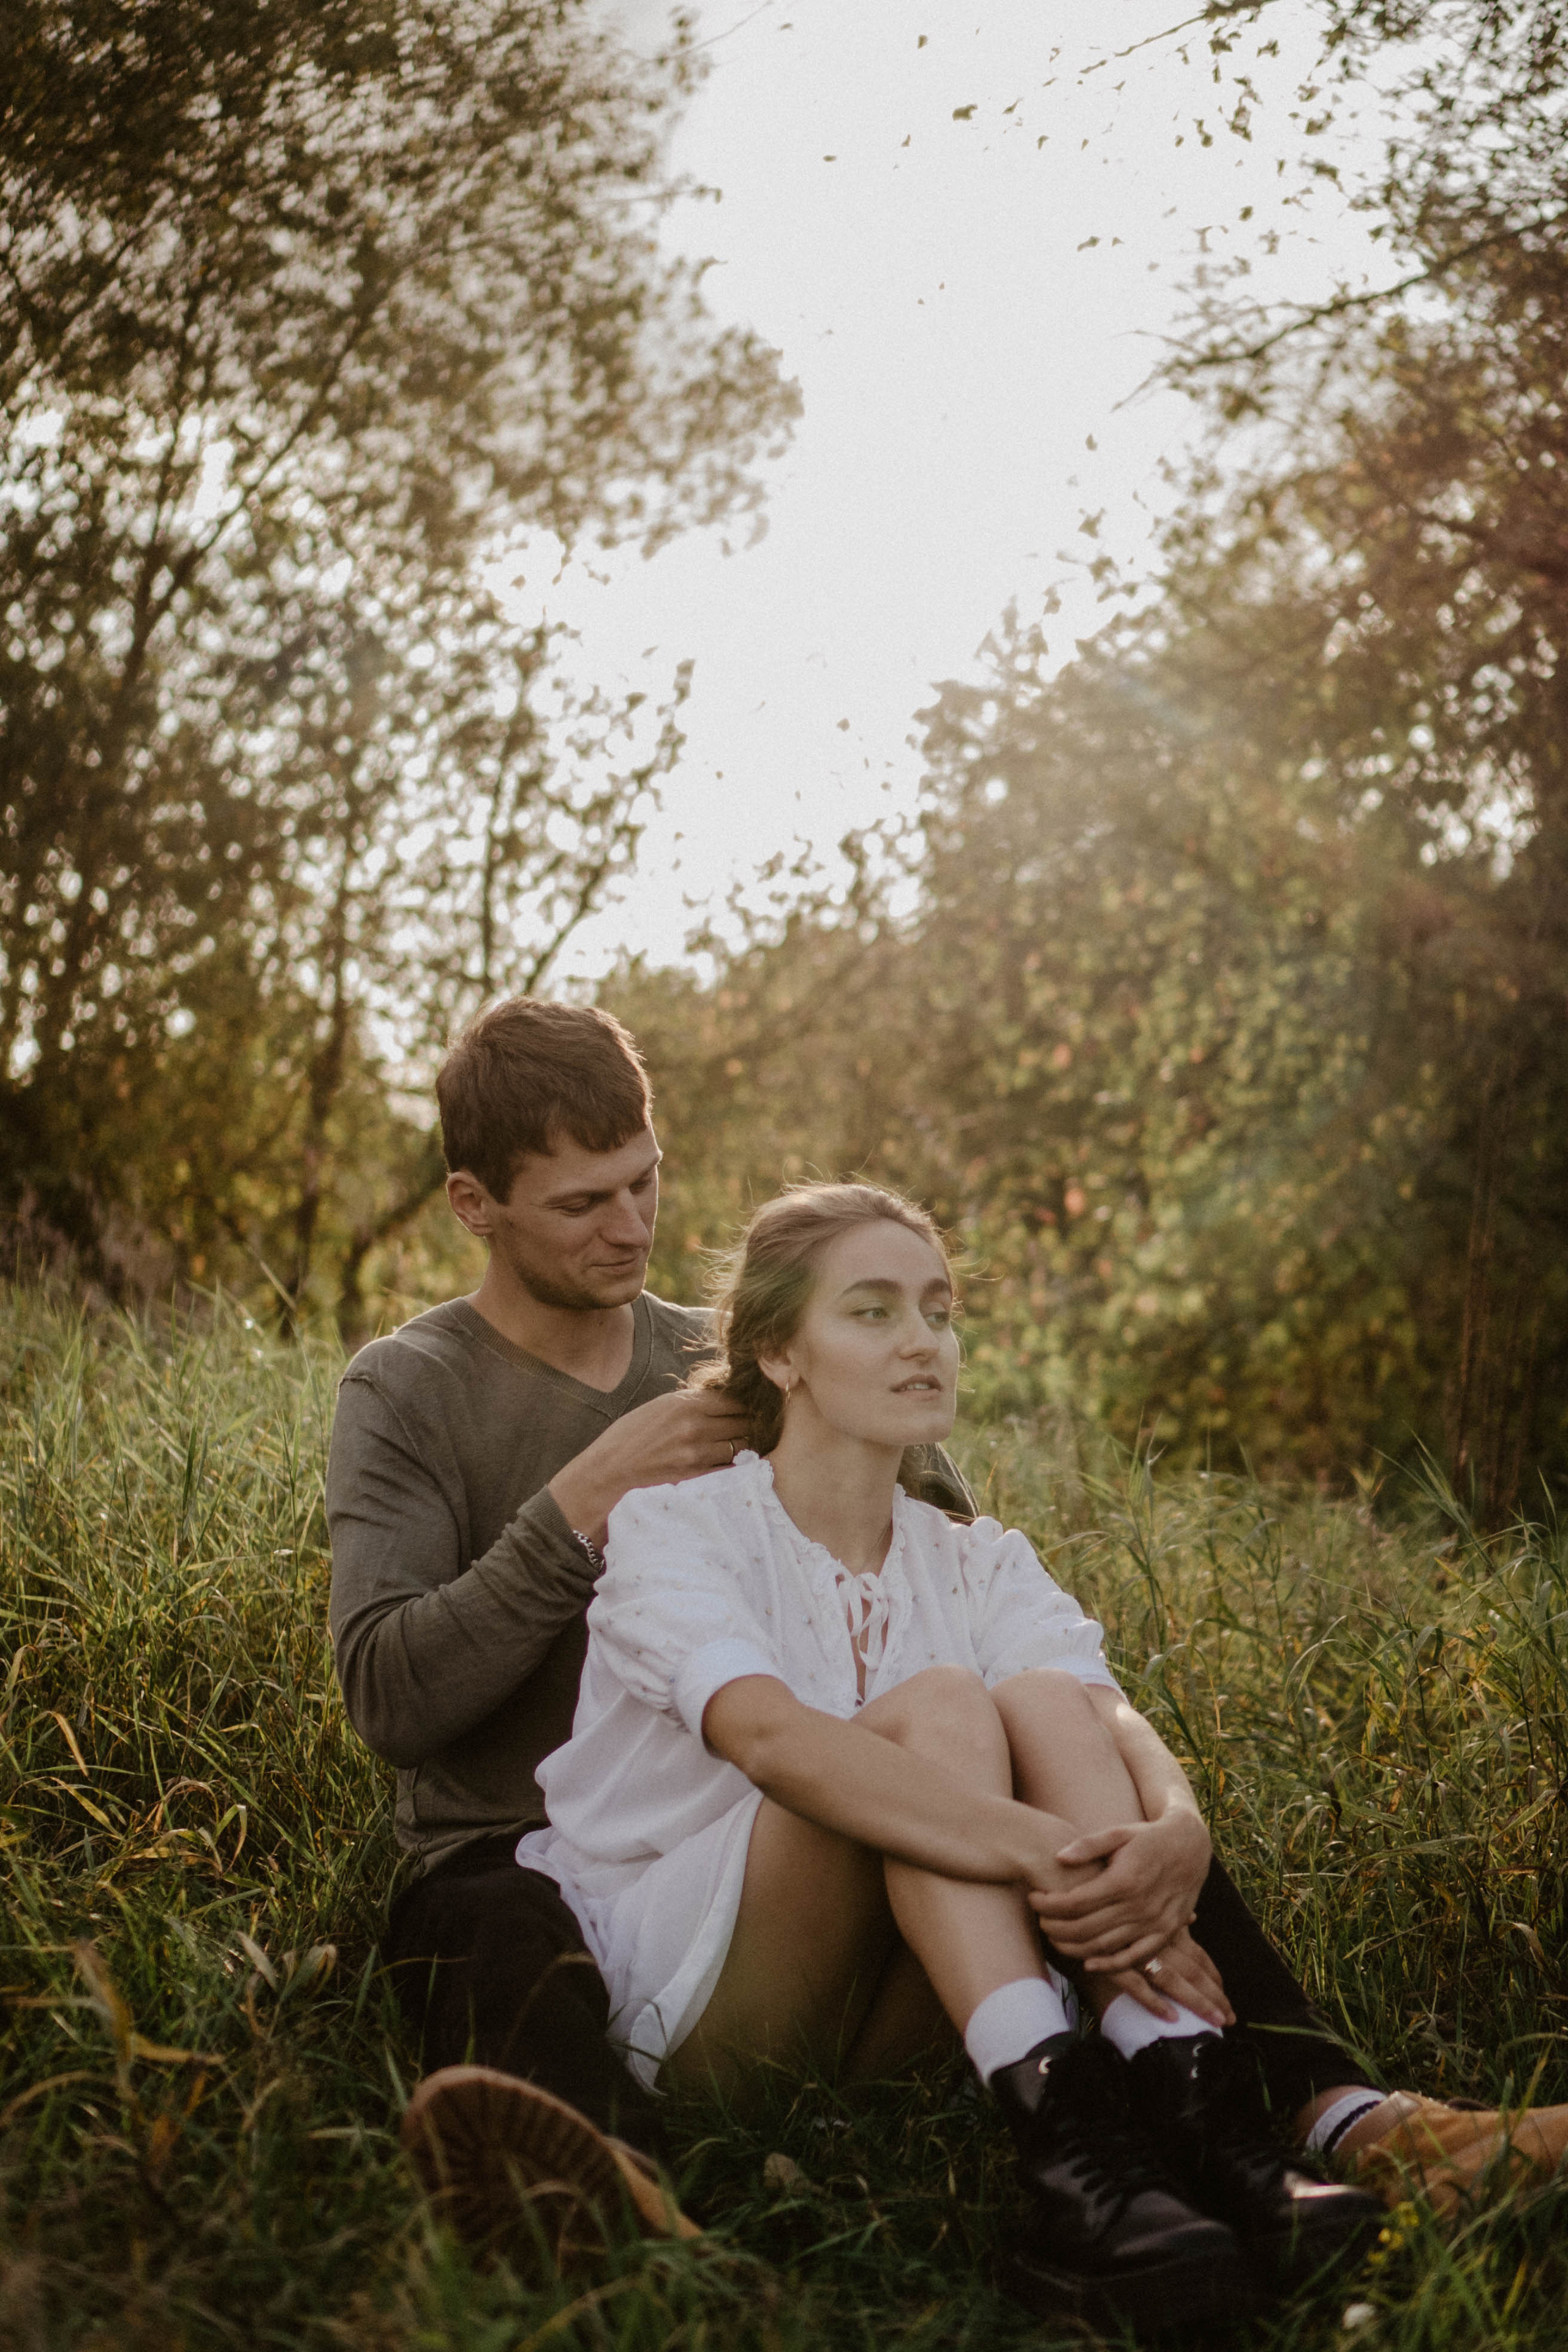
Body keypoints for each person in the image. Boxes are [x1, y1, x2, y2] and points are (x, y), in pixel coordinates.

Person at [325, 996, 1568, 2268]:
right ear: (474, 1204)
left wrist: (1156, 1819)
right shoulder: (411, 1389)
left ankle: (1344, 2120)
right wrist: (580, 1502)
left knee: (1072, 1773)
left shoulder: (738, 1354)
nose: (632, 1225)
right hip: (532, 1842)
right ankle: (621, 2205)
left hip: (794, 1811)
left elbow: (952, 1590)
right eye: (582, 1204)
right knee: (490, 1926)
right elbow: (390, 1698)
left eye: (645, 1181)